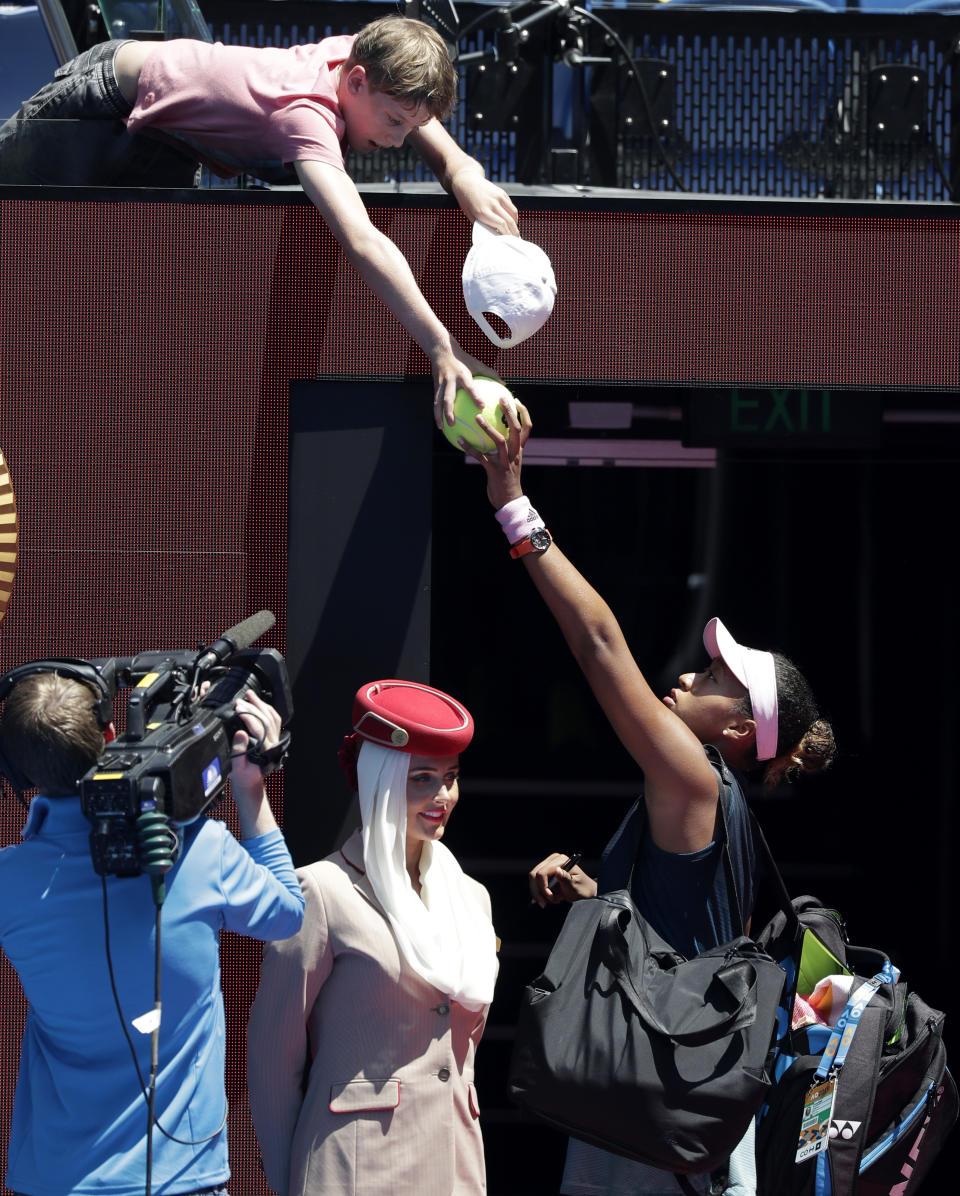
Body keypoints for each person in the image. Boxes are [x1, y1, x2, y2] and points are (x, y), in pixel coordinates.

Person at [465, 403, 838, 1196]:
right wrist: (596, 898)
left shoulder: (698, 775)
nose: (685, 678)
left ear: (739, 727)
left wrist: (512, 503)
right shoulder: (715, 800)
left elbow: (599, 643)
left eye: (711, 679)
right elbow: (686, 948)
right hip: (661, 1095)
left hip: (653, 1109)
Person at [0, 16, 519, 427]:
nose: (399, 140)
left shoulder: (360, 56)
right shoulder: (305, 117)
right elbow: (362, 240)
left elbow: (411, 111)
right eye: (393, 122)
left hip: (166, 142)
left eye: (413, 127)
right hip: (104, 95)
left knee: (114, 300)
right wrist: (442, 348)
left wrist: (462, 169)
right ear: (356, 81)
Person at [0, 669, 305, 1196]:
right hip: (183, 1181)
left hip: (53, 1178)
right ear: (111, 736)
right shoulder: (202, 849)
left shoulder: (9, 880)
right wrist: (250, 790)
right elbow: (287, 913)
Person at [247, 678, 498, 1195]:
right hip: (352, 1171)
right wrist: (288, 1181)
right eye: (422, 779)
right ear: (380, 780)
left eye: (450, 778)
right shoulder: (322, 891)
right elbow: (273, 1060)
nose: (443, 796)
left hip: (456, 1166)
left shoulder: (471, 899)